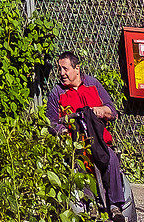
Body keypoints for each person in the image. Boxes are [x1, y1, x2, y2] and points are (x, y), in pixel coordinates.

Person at [50, 50, 131, 220]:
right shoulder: (57, 92)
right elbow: (51, 122)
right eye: (60, 69)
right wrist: (62, 130)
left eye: (65, 69)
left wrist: (101, 110)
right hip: (75, 145)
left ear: (77, 68)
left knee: (111, 159)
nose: (61, 73)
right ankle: (89, 204)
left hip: (99, 141)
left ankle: (115, 206)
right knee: (79, 164)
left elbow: (112, 111)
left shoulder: (93, 85)